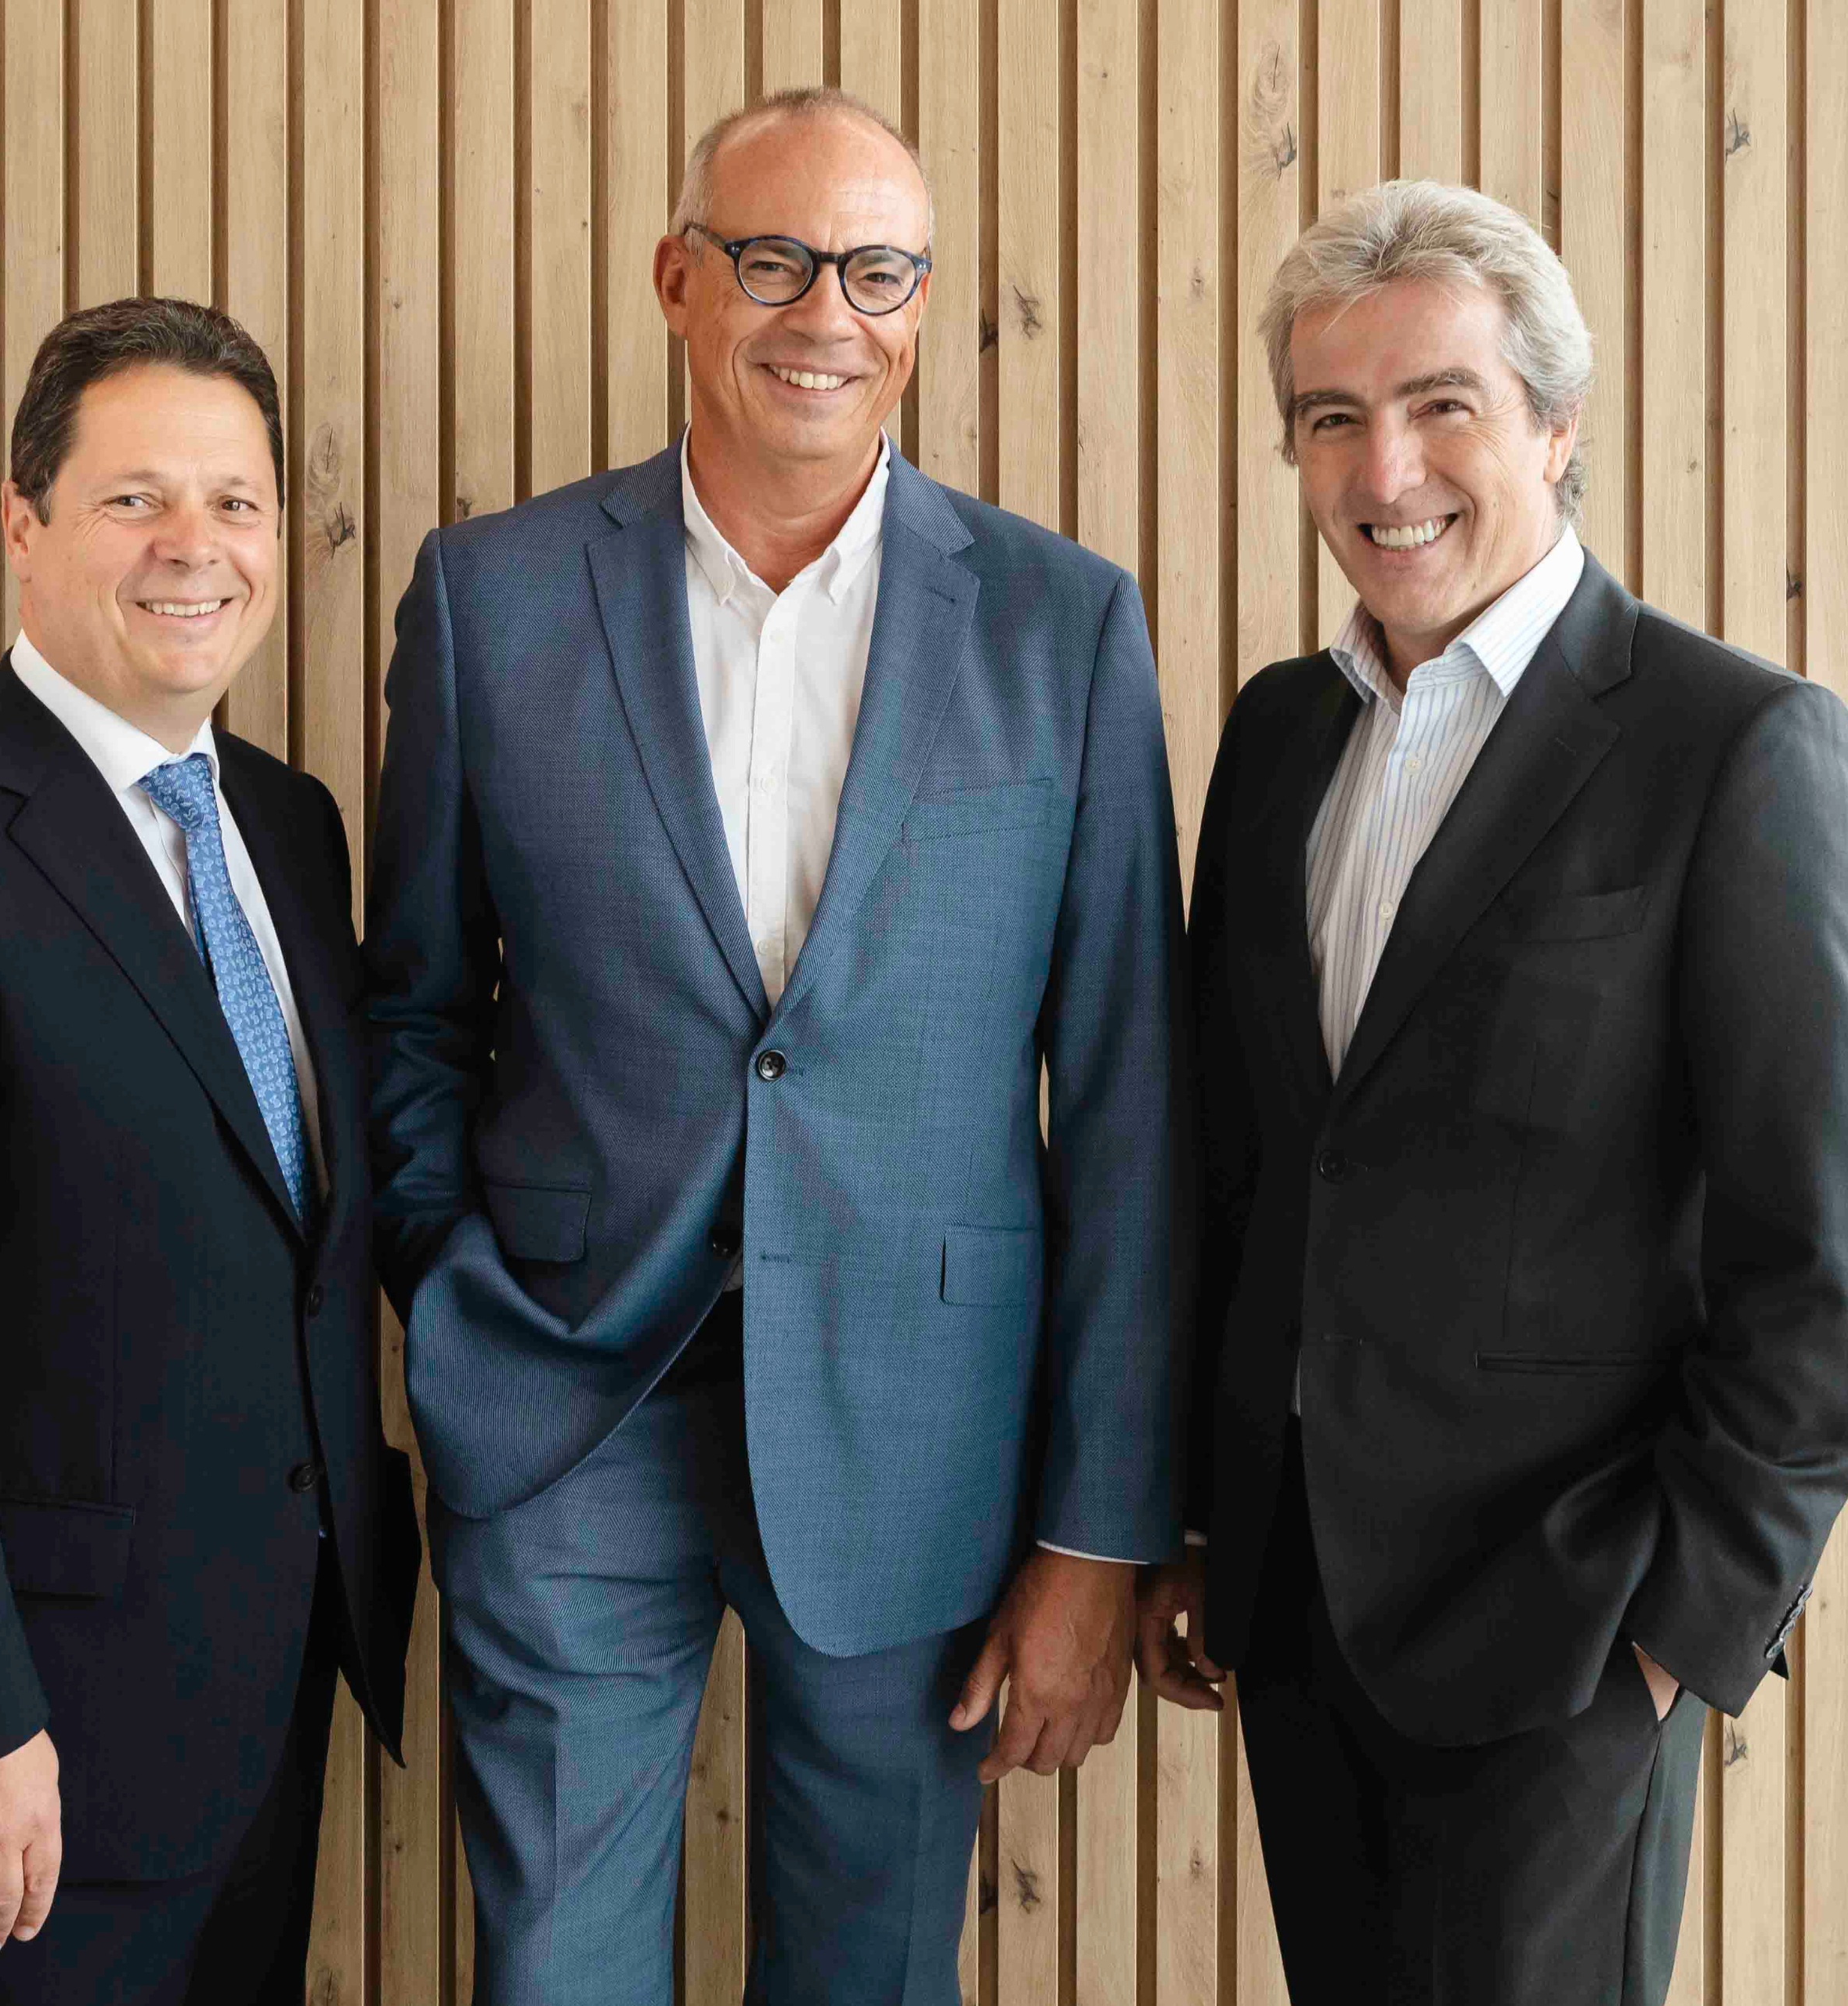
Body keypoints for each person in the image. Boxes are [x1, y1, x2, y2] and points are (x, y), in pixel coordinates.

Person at [363, 86, 1190, 2004]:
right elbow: (411, 1006)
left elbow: (1130, 1103)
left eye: (878, 270)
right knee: (554, 1974)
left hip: (923, 1431)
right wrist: (453, 1284)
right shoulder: (492, 599)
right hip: (568, 1399)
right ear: (678, 280)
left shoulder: (1063, 625)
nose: (827, 311)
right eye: (774, 259)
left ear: (922, 307)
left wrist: (1097, 1533)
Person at [1137, 178, 1848, 2005]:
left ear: (1557, 426)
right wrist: (1199, 1519)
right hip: (1296, 1607)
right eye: (1334, 418)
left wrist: (1679, 1627)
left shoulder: (1734, 747)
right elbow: (1237, 1164)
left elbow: (1825, 1255)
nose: (1385, 468)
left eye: (1442, 405)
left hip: (1571, 1626)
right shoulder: (1279, 736)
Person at [0, 295, 417, 2004]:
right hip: (10, 1767)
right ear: (22, 525)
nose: (196, 545)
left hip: (255, 1723)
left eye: (237, 501)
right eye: (135, 498)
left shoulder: (291, 828)